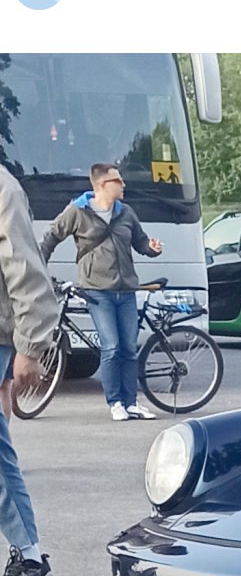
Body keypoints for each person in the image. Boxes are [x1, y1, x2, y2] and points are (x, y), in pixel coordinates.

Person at [39, 162, 163, 421]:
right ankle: (115, 402)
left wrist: (152, 248)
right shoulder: (78, 211)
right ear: (101, 185)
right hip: (97, 292)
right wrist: (40, 270)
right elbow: (50, 238)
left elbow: (140, 242)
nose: (123, 184)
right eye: (118, 181)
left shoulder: (126, 212)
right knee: (111, 347)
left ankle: (132, 403)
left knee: (129, 348)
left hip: (126, 290)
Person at [0, 164, 62, 576]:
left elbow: (24, 267)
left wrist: (31, 346)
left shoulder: (2, 189)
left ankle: (31, 555)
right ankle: (30, 554)